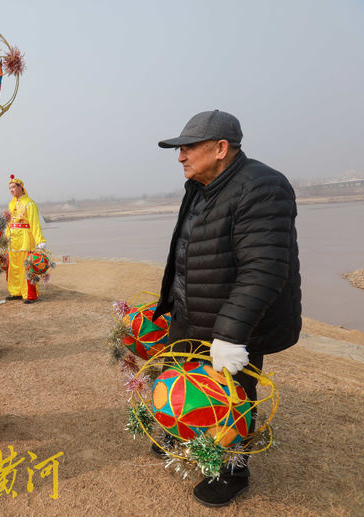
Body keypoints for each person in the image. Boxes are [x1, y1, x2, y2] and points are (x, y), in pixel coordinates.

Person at [152, 110, 301, 507]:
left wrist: (231, 334)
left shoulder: (262, 186)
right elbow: (189, 250)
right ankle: (184, 431)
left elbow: (265, 269)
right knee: (183, 378)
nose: (180, 157)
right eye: (178, 149)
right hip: (192, 313)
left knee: (234, 395)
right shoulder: (200, 187)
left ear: (220, 149)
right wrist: (171, 301)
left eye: (187, 148)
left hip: (235, 324)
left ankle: (231, 470)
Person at [5, 174, 46, 303]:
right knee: (14, 267)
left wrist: (40, 240)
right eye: (9, 188)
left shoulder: (29, 204)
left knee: (27, 266)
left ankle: (30, 294)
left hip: (25, 239)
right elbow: (8, 223)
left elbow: (35, 223)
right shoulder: (11, 204)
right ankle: (16, 292)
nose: (11, 190)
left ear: (21, 187)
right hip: (13, 241)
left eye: (13, 187)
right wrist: (5, 239)